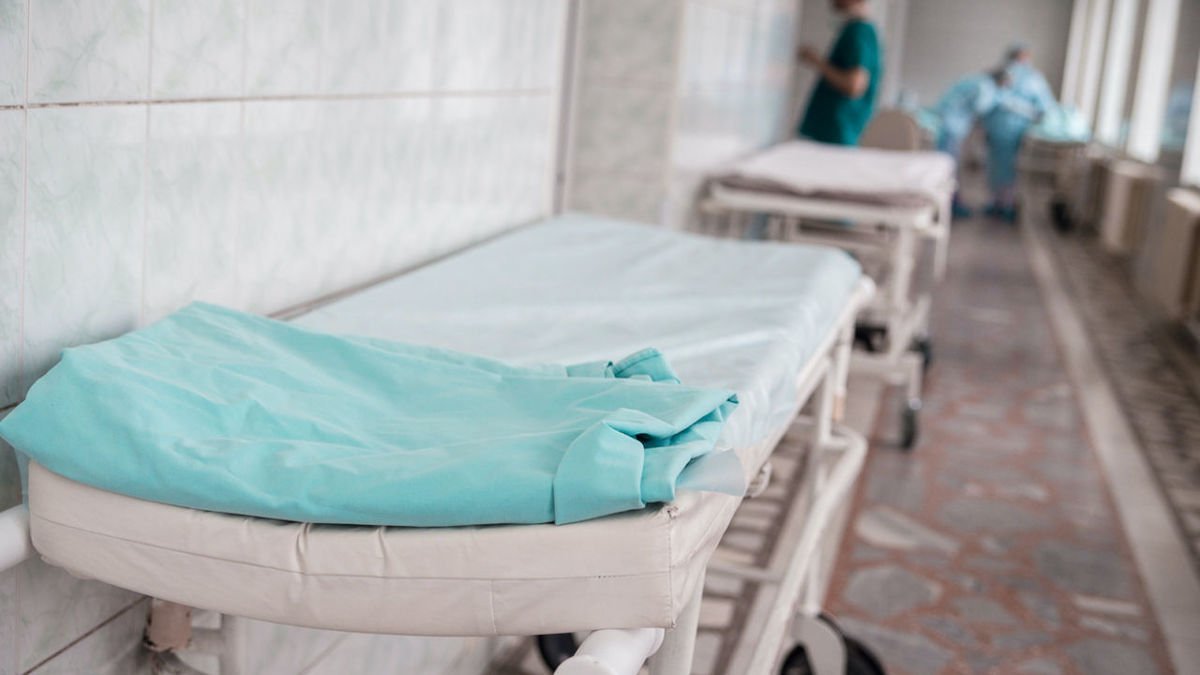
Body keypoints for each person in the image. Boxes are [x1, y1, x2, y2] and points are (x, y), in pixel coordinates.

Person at [982, 45, 1056, 223]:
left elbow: (1044, 108)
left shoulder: (1029, 78)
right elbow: (1045, 107)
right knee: (1000, 167)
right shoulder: (1026, 77)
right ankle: (1001, 203)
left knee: (1005, 167)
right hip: (1002, 129)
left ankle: (1003, 203)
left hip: (1007, 129)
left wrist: (1017, 107)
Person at [796, 0, 882, 146]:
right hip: (834, 132)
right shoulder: (857, 30)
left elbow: (854, 85)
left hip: (837, 133)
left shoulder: (859, 31)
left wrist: (816, 61)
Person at [935, 69, 1012, 217]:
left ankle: (951, 201)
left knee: (949, 165)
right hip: (952, 126)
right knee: (949, 166)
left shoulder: (977, 81)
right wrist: (998, 99)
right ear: (1002, 80)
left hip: (949, 125)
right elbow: (981, 106)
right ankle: (950, 203)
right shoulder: (985, 86)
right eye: (1007, 84)